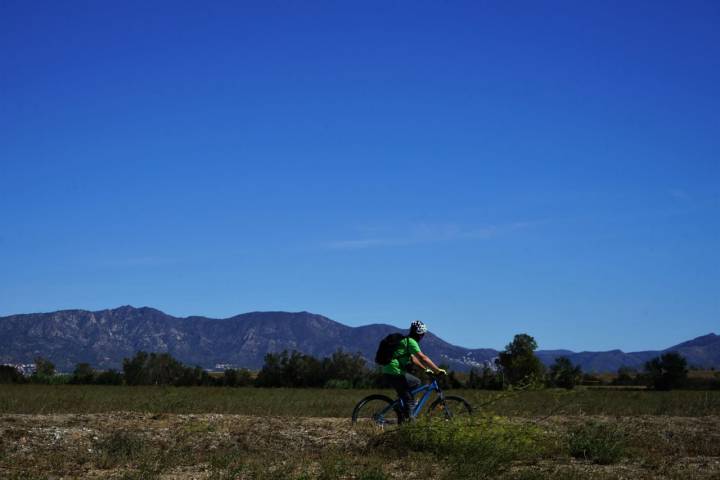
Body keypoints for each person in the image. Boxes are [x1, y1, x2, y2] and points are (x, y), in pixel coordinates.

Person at [382, 320, 447, 421]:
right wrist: (437, 370)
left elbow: (413, 358)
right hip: (394, 371)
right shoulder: (411, 342)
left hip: (391, 370)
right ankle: (409, 417)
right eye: (423, 334)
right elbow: (423, 358)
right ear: (420, 334)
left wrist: (425, 369)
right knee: (412, 391)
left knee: (414, 383)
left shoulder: (406, 340)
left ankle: (403, 407)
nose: (423, 336)